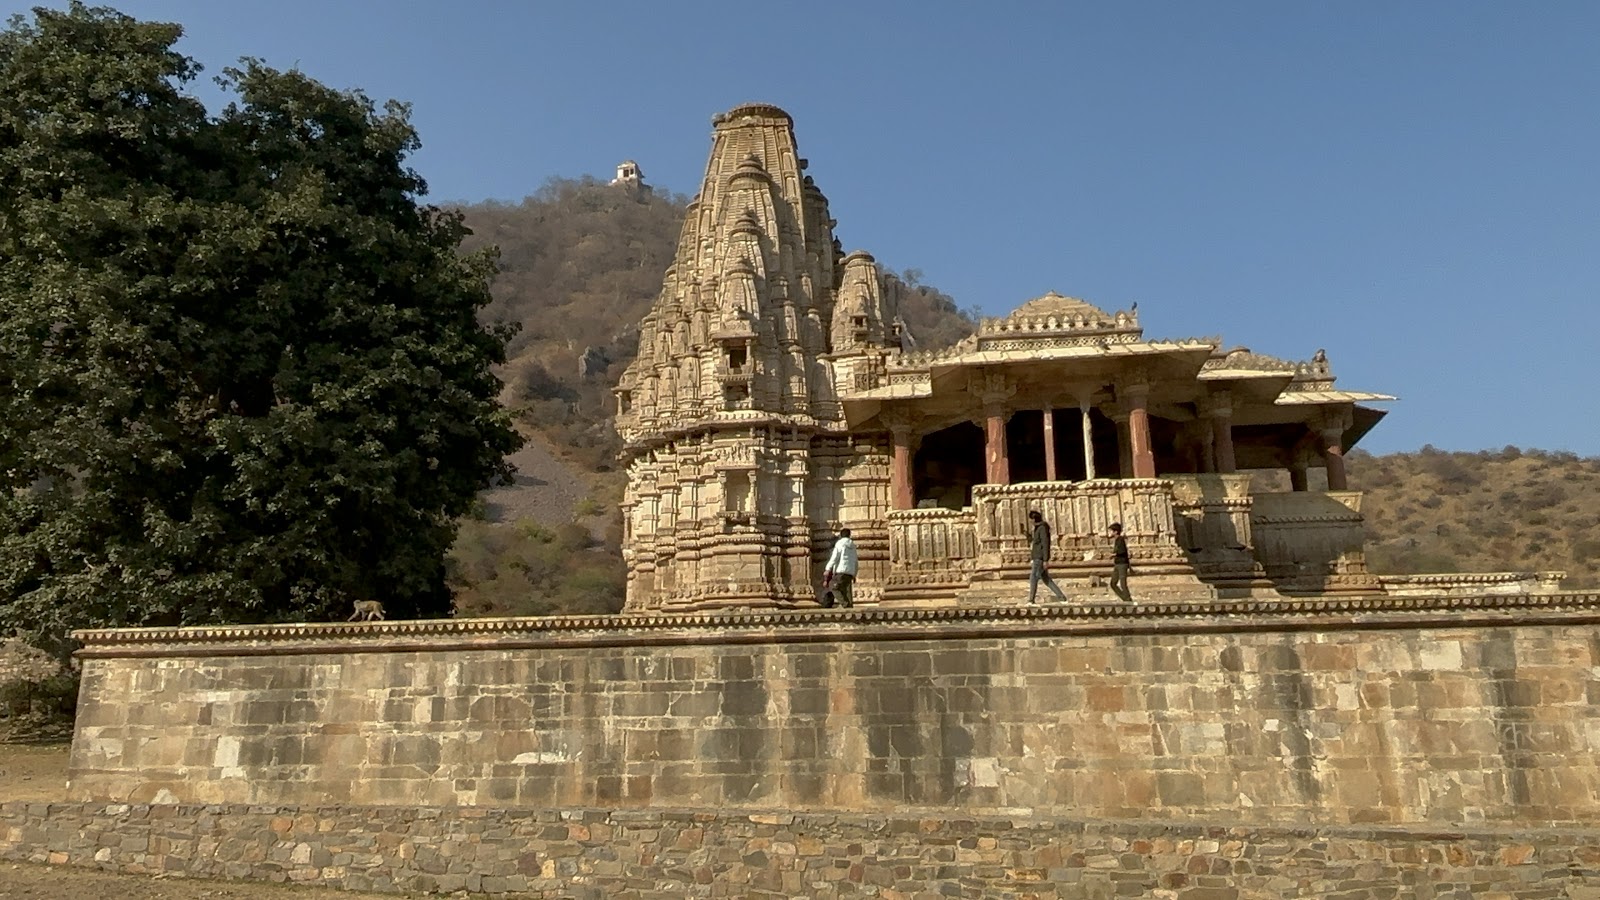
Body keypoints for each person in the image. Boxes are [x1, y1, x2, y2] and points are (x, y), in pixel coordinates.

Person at [1026, 510, 1068, 604]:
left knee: (1033, 577)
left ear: (1034, 519)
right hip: (1036, 556)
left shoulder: (1042, 528)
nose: (1030, 521)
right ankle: (1061, 597)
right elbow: (1036, 542)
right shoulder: (1037, 529)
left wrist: (1045, 559)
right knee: (1046, 579)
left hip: (1039, 557)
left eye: (1031, 519)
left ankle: (1031, 599)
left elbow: (1045, 544)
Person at [824, 528, 858, 608]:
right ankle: (849, 609)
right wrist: (854, 574)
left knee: (833, 586)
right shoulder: (853, 546)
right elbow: (855, 561)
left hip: (841, 570)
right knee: (847, 592)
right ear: (849, 535)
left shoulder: (840, 543)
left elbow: (835, 557)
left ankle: (844, 604)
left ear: (840, 535)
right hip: (850, 571)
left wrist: (828, 568)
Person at [1109, 522, 1133, 602]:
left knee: (1123, 584)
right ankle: (1125, 598)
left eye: (1111, 531)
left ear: (1115, 532)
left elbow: (1123, 551)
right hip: (1118, 564)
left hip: (1122, 564)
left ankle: (1128, 599)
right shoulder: (1117, 540)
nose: (1110, 533)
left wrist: (1114, 554)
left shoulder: (1120, 540)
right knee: (1113, 583)